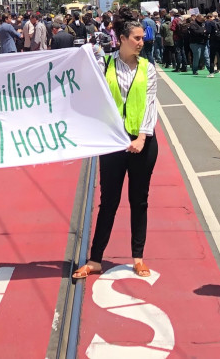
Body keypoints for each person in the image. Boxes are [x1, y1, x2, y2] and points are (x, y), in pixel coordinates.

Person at [73, 19, 159, 282]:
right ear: (121, 39)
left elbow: (150, 104)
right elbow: (84, 82)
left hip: (141, 141)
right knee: (108, 201)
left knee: (139, 200)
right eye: (136, 38)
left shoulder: (148, 68)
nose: (141, 42)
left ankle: (138, 257)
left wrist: (141, 138)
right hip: (113, 142)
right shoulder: (105, 64)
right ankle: (95, 260)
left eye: (142, 38)